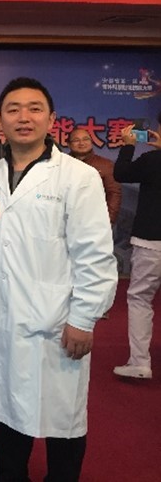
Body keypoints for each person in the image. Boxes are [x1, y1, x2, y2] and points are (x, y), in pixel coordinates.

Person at [0, 77, 117, 482]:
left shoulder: (77, 177)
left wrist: (84, 318)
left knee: (63, 420)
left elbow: (95, 254)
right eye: (13, 109)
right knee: (7, 414)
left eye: (34, 108)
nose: (24, 117)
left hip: (57, 322)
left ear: (52, 119)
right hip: (2, 318)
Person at [112, 114, 161, 379]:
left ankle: (140, 363)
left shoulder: (152, 160)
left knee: (140, 299)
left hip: (150, 241)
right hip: (150, 241)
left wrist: (128, 145)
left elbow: (121, 173)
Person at [68, 127, 122, 224]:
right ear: (69, 144)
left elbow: (114, 194)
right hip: (66, 220)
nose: (82, 143)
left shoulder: (106, 165)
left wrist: (108, 221)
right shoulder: (62, 164)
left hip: (95, 222)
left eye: (86, 139)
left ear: (91, 142)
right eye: (76, 140)